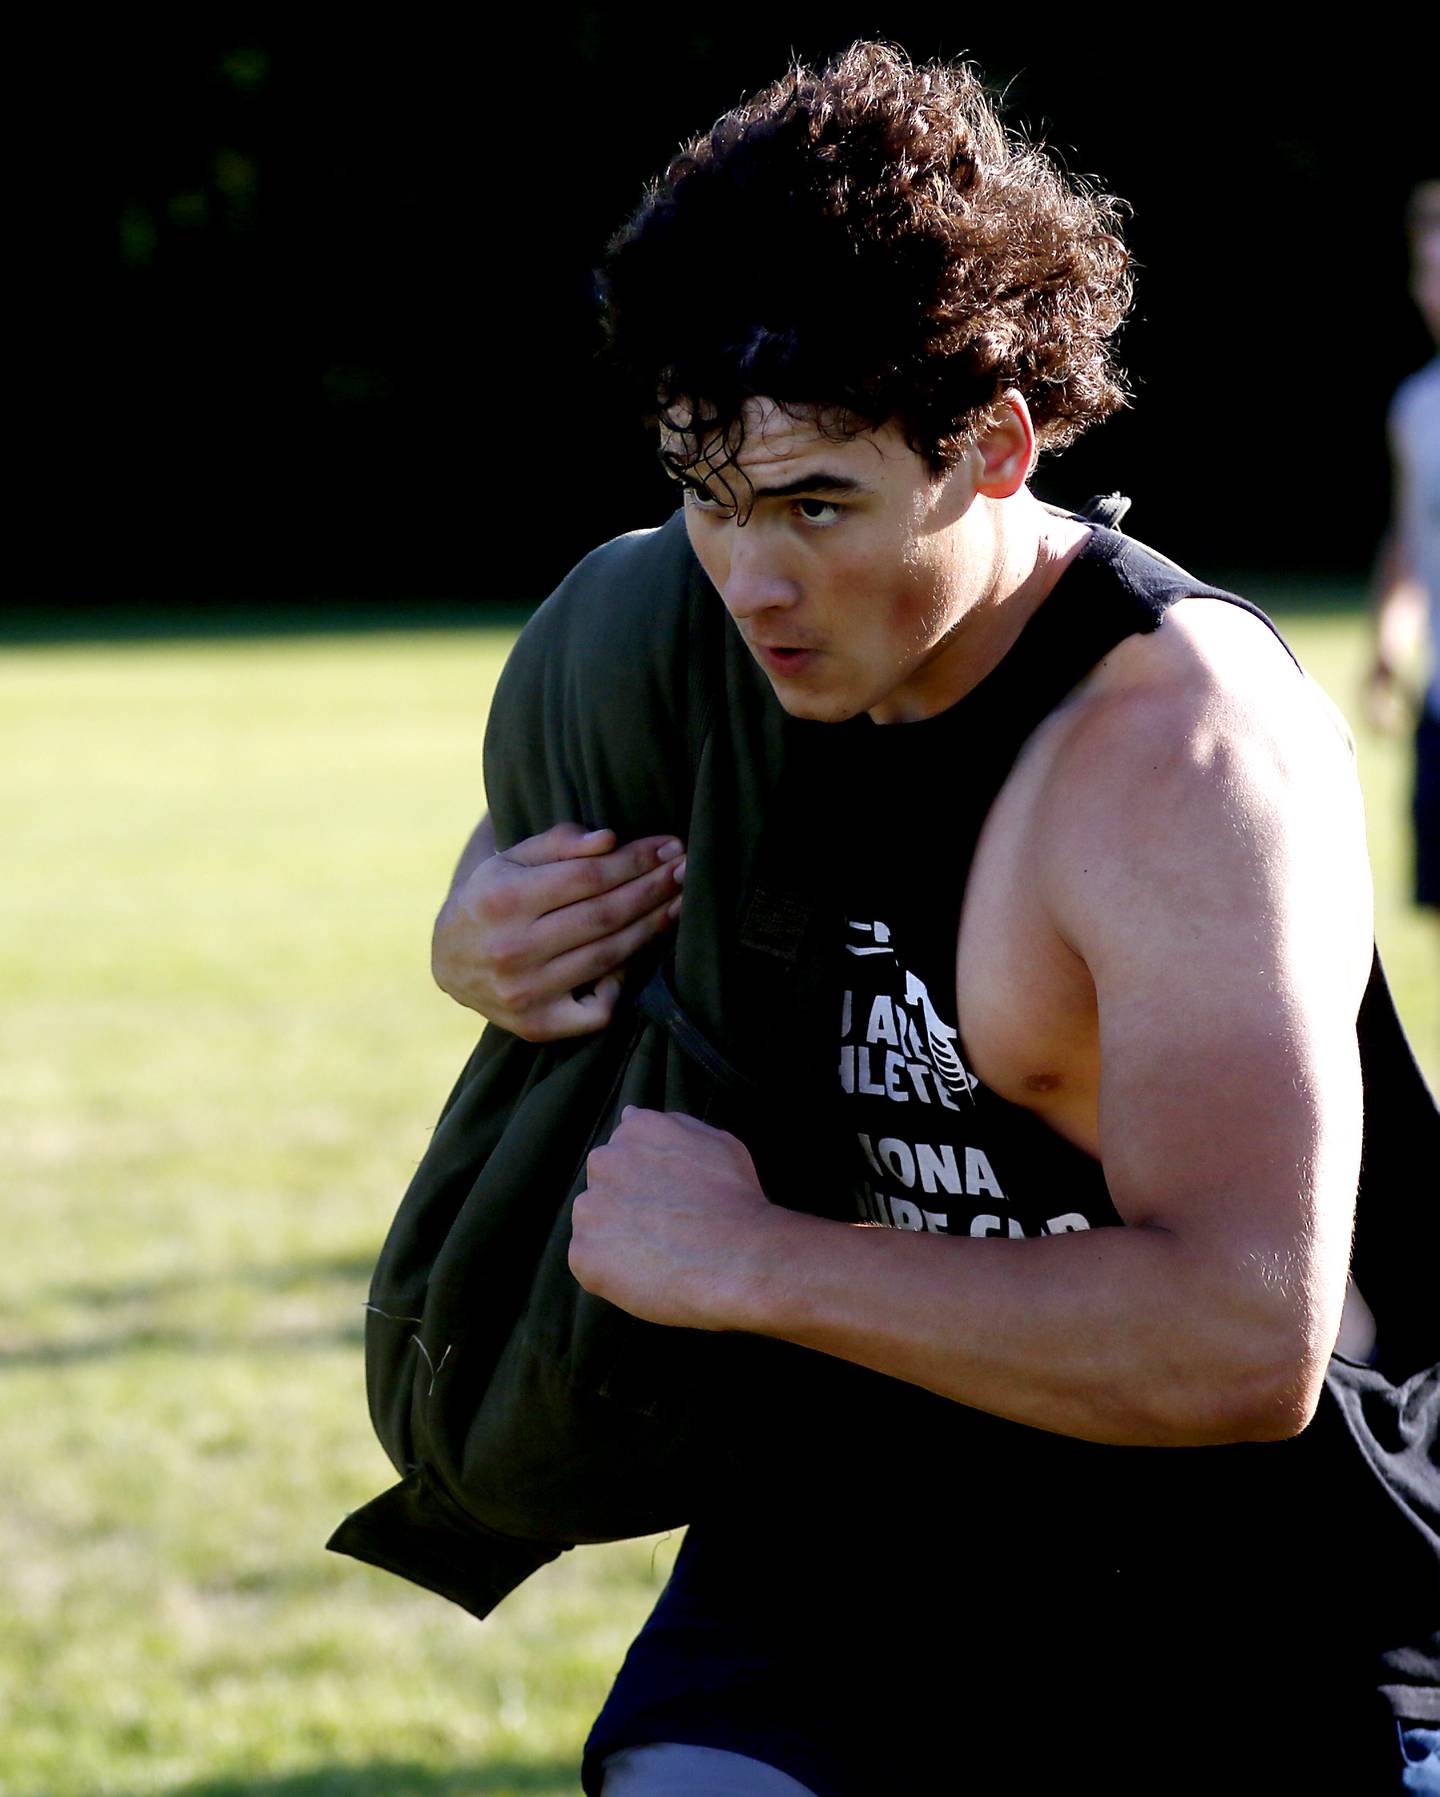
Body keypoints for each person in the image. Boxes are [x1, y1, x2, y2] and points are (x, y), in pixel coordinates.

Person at [428, 47, 1439, 1794]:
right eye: (706, 493)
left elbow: (1240, 1336)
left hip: (1236, 1580)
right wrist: (478, 933)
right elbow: (527, 861)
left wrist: (753, 1262)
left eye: (820, 504)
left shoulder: (1174, 757)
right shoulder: (713, 635)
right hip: (855, 1518)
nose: (754, 579)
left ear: (992, 448)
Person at [1368, 179, 1440, 923]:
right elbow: (1412, 539)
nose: (1435, 291)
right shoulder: (1416, 409)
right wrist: (1392, 642)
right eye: (1427, 270)